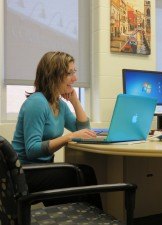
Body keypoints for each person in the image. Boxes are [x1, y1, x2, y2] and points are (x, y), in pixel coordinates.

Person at [12, 51, 101, 207]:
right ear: (52, 76)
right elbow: (32, 149)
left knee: (86, 172)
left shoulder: (59, 104)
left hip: (40, 168)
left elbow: (84, 129)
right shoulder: (37, 103)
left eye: (75, 72)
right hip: (24, 173)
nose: (75, 78)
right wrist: (68, 137)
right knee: (78, 175)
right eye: (69, 73)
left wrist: (75, 101)